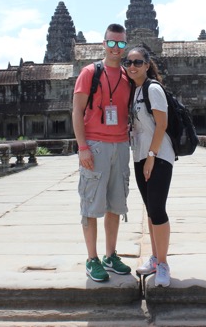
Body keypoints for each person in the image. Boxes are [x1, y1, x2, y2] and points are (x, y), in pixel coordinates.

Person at [72, 23, 132, 282]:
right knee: (91, 204)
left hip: (121, 145)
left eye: (120, 44)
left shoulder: (129, 76)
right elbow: (76, 111)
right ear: (103, 43)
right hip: (95, 145)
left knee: (116, 206)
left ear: (124, 45)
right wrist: (82, 147)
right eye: (112, 42)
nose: (115, 48)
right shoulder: (89, 72)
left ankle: (110, 255)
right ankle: (92, 258)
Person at [123, 46, 174, 287]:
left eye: (137, 62)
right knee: (150, 211)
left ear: (147, 64)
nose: (132, 66)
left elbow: (162, 124)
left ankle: (163, 264)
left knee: (158, 209)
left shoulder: (153, 88)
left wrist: (152, 155)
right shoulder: (134, 91)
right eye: (128, 62)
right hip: (140, 156)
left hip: (158, 156)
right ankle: (155, 258)